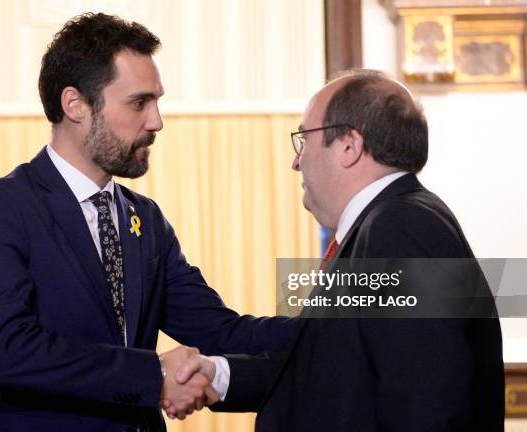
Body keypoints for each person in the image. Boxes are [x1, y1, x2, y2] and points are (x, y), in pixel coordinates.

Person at [0, 12, 296, 431]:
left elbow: (221, 331)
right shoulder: (2, 207)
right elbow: (11, 352)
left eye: (156, 101)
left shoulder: (146, 219)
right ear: (75, 105)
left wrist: (338, 332)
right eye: (139, 102)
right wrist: (152, 376)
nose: (156, 121)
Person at [168, 69, 505, 430]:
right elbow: (332, 369)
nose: (296, 161)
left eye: (304, 140)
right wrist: (220, 375)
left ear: (349, 146)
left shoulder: (401, 228)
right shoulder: (391, 221)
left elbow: (427, 401)